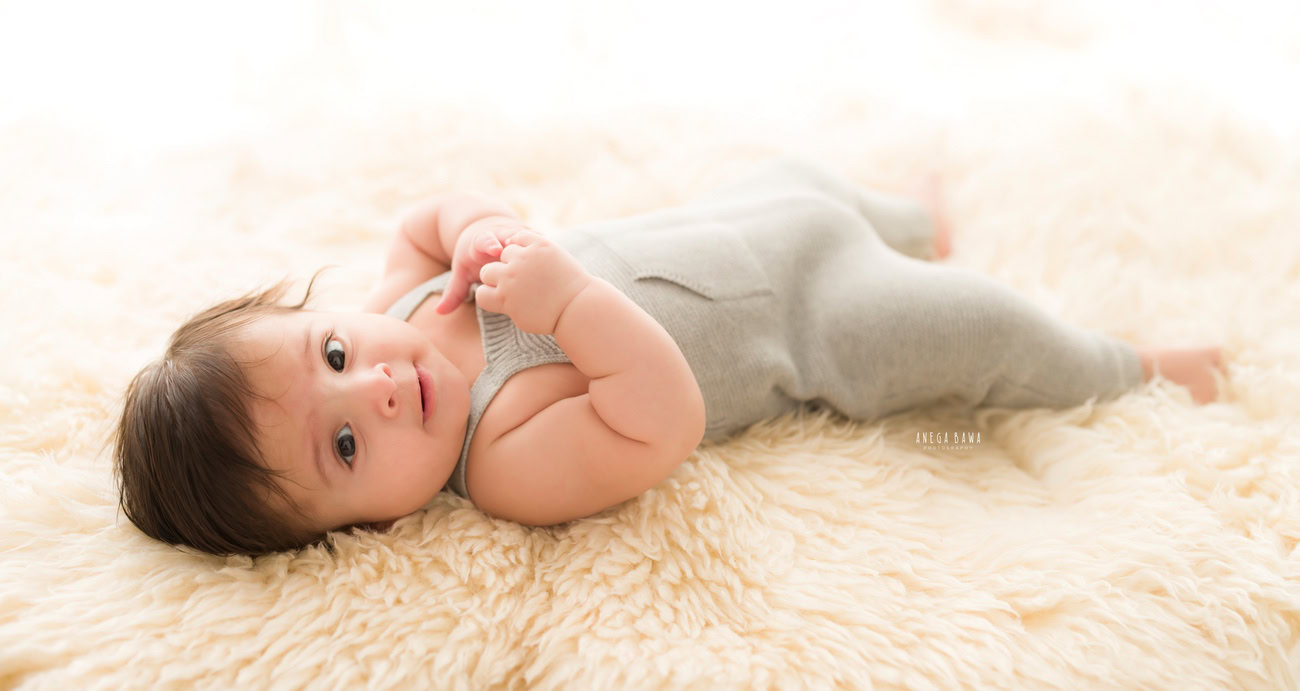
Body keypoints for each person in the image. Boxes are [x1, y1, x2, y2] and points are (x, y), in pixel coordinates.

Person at [111, 156, 1225, 557]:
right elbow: (663, 420)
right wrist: (564, 300)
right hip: (813, 317)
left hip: (740, 223)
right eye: (347, 445)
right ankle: (1123, 366)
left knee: (801, 180)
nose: (376, 386)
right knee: (977, 325)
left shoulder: (397, 302)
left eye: (332, 353)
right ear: (358, 529)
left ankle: (910, 218)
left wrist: (480, 227)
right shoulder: (503, 456)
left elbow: (422, 216)